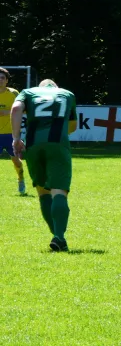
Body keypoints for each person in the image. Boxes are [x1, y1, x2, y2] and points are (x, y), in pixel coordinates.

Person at [11, 79, 78, 252]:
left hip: (33, 144)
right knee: (59, 190)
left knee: (42, 192)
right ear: (56, 87)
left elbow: (16, 108)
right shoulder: (67, 94)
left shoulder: (27, 92)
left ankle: (56, 237)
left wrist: (16, 138)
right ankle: (59, 237)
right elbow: (72, 126)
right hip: (57, 144)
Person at [0, 67, 26, 194]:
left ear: (6, 81)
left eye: (2, 78)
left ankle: (21, 178)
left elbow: (23, 109)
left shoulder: (14, 93)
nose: (0, 80)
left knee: (16, 161)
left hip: (11, 134)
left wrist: (7, 112)